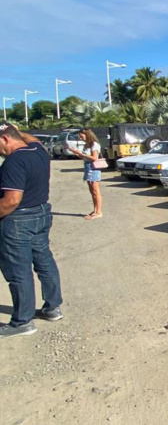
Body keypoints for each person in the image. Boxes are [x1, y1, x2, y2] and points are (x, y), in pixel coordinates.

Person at [0, 123, 63, 338]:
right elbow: (31, 138)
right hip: (41, 213)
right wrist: (15, 130)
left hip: (18, 220)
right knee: (44, 261)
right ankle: (52, 307)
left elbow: (11, 201)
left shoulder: (14, 162)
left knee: (18, 271)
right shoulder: (38, 151)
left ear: (5, 139)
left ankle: (22, 321)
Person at [69, 129, 103, 220]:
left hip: (93, 168)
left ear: (87, 134)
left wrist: (81, 154)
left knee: (96, 191)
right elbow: (84, 157)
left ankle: (99, 212)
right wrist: (76, 153)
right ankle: (95, 210)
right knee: (92, 191)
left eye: (81, 136)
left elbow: (94, 158)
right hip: (87, 166)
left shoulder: (94, 144)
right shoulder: (86, 145)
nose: (80, 138)